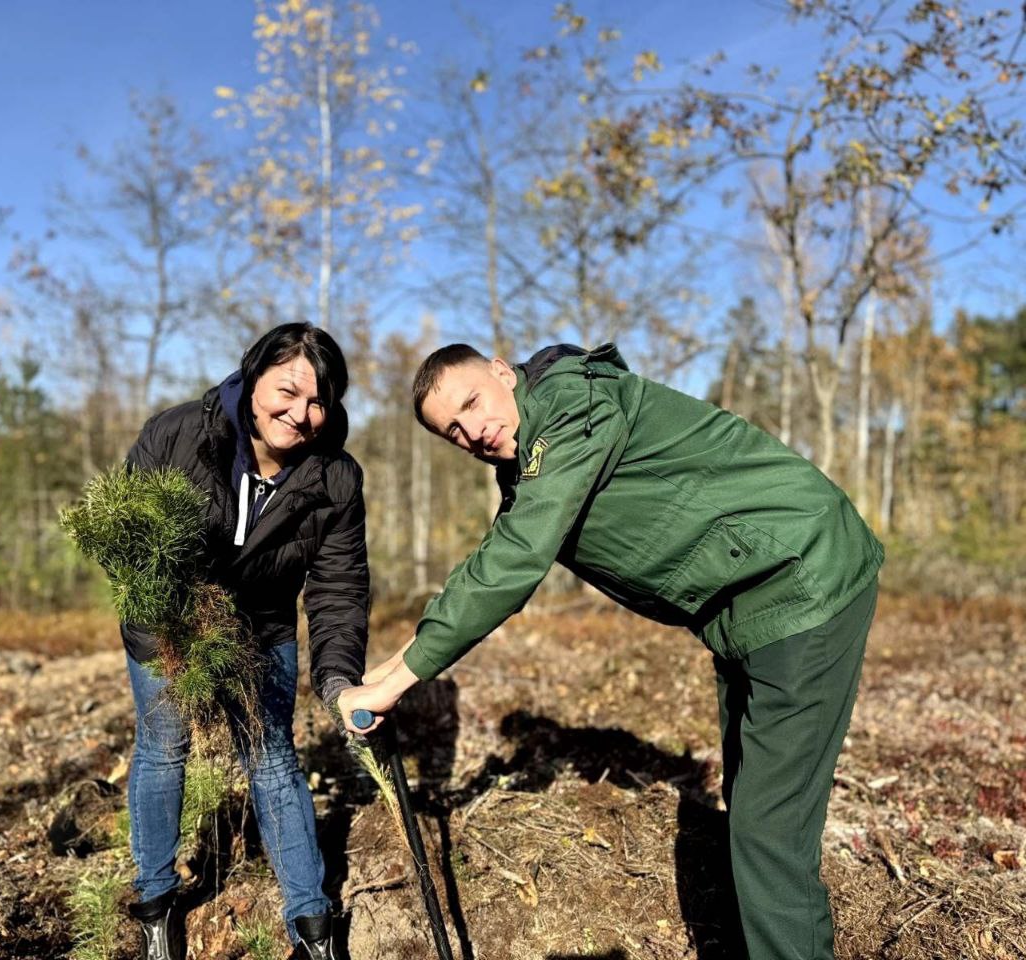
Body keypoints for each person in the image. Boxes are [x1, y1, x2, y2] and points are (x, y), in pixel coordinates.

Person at [337, 342, 883, 960]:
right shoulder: (526, 460)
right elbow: (490, 563)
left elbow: (515, 561)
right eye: (454, 432)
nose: (473, 431)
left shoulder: (575, 406)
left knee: (769, 830)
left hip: (799, 577)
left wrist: (395, 682)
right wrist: (390, 670)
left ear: (499, 371)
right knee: (753, 803)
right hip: (745, 604)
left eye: (472, 403)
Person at [124, 323, 367, 960]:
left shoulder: (334, 479)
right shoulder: (177, 436)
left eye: (320, 402)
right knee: (162, 745)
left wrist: (338, 675)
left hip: (263, 625)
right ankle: (155, 907)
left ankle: (313, 927)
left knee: (271, 756)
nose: (301, 414)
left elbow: (338, 589)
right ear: (252, 376)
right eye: (287, 391)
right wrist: (180, 618)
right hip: (171, 624)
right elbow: (129, 543)